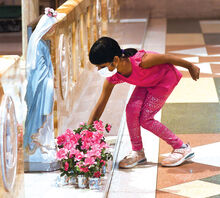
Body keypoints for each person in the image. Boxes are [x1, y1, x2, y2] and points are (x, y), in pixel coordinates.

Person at [88, 37, 200, 168]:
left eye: (102, 66)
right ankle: (138, 152)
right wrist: (86, 131)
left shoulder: (142, 61)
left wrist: (190, 66)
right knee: (131, 110)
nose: (100, 70)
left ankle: (181, 147)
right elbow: (101, 104)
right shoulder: (113, 76)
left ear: (116, 60)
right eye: (97, 67)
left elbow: (168, 58)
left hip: (164, 80)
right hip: (146, 81)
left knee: (145, 119)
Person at [24, 8, 58, 169]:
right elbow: (38, 70)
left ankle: (39, 142)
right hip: (41, 87)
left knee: (44, 117)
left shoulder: (41, 42)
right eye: (52, 26)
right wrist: (48, 83)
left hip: (45, 85)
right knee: (38, 116)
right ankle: (32, 143)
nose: (54, 29)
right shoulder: (38, 44)